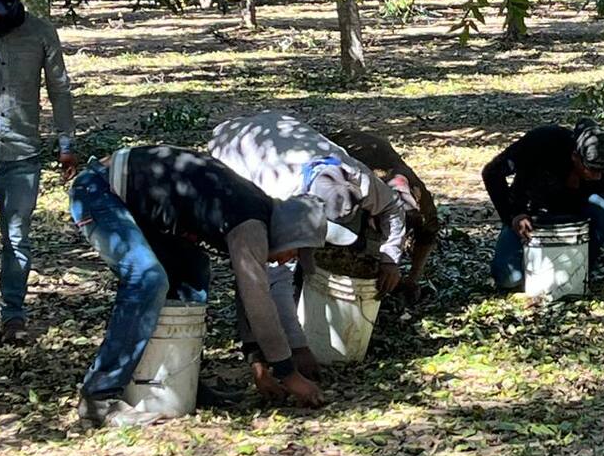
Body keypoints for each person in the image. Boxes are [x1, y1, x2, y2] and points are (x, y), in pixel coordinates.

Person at [69, 146, 357, 428]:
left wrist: (258, 362)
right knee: (147, 279)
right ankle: (99, 397)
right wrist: (288, 374)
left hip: (137, 203)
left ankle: (183, 381)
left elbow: (249, 287)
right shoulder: (251, 224)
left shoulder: (259, 215)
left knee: (193, 270)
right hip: (99, 190)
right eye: (294, 252)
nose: (287, 261)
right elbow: (258, 301)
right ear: (287, 235)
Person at [209, 112, 418, 372]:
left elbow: (392, 207)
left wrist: (389, 258)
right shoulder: (277, 199)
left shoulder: (357, 177)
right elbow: (274, 280)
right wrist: (298, 350)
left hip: (278, 123)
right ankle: (253, 346)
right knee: (252, 262)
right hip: (231, 145)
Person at [0, 0, 76, 345]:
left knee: (17, 238)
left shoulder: (41, 33)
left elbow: (59, 89)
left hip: (22, 155)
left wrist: (66, 143)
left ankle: (13, 315)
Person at [482, 119, 604, 290]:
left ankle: (584, 260)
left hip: (575, 220)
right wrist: (514, 214)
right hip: (532, 216)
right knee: (509, 278)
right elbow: (492, 172)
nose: (598, 177)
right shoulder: (543, 142)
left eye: (602, 171)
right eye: (592, 170)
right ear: (575, 156)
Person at [324, 125, 441, 302]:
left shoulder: (424, 209)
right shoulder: (361, 188)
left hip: (377, 158)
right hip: (343, 147)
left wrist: (412, 279)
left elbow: (427, 239)